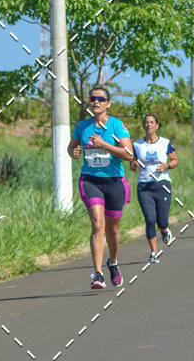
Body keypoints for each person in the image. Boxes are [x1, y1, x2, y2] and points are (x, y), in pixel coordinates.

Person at [68, 87, 133, 289]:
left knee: (112, 230)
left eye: (100, 99)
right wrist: (74, 151)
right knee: (97, 224)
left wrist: (104, 145)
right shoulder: (82, 126)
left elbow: (129, 154)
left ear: (108, 103)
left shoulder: (116, 126)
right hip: (90, 180)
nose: (96, 102)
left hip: (114, 182)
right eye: (93, 98)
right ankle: (97, 274)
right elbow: (71, 147)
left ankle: (112, 263)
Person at [130, 113, 178, 262]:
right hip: (144, 186)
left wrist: (167, 166)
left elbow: (175, 160)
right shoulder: (137, 145)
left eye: (152, 122)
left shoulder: (165, 142)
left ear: (157, 126)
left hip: (162, 184)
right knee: (150, 219)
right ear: (144, 126)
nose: (149, 125)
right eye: (146, 122)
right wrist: (133, 165)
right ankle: (153, 252)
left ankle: (164, 229)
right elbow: (132, 165)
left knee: (162, 220)